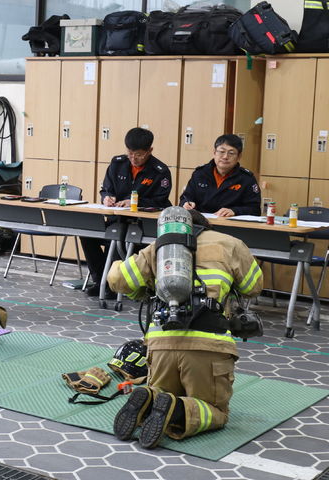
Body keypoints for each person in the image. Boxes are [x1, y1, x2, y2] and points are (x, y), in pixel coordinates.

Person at [107, 208, 263, 449]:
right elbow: (253, 286)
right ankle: (176, 408)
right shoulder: (231, 244)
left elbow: (118, 281)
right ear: (207, 227)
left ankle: (151, 398)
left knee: (161, 390)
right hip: (209, 346)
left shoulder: (159, 248)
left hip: (161, 346)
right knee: (214, 410)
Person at [81, 127, 172, 296]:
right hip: (116, 218)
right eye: (130, 153)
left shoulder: (160, 171)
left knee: (119, 234)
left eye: (138, 154)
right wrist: (107, 197)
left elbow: (160, 201)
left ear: (149, 151)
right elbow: (106, 189)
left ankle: (113, 285)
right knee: (86, 233)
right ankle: (101, 279)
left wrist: (134, 203)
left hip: (142, 223)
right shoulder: (117, 164)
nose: (133, 158)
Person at [180, 134, 261, 217]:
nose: (225, 157)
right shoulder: (200, 173)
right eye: (222, 152)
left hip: (230, 225)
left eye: (231, 153)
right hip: (200, 222)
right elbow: (186, 197)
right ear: (214, 153)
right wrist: (187, 203)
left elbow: (255, 209)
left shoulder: (246, 179)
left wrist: (234, 211)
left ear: (239, 157)